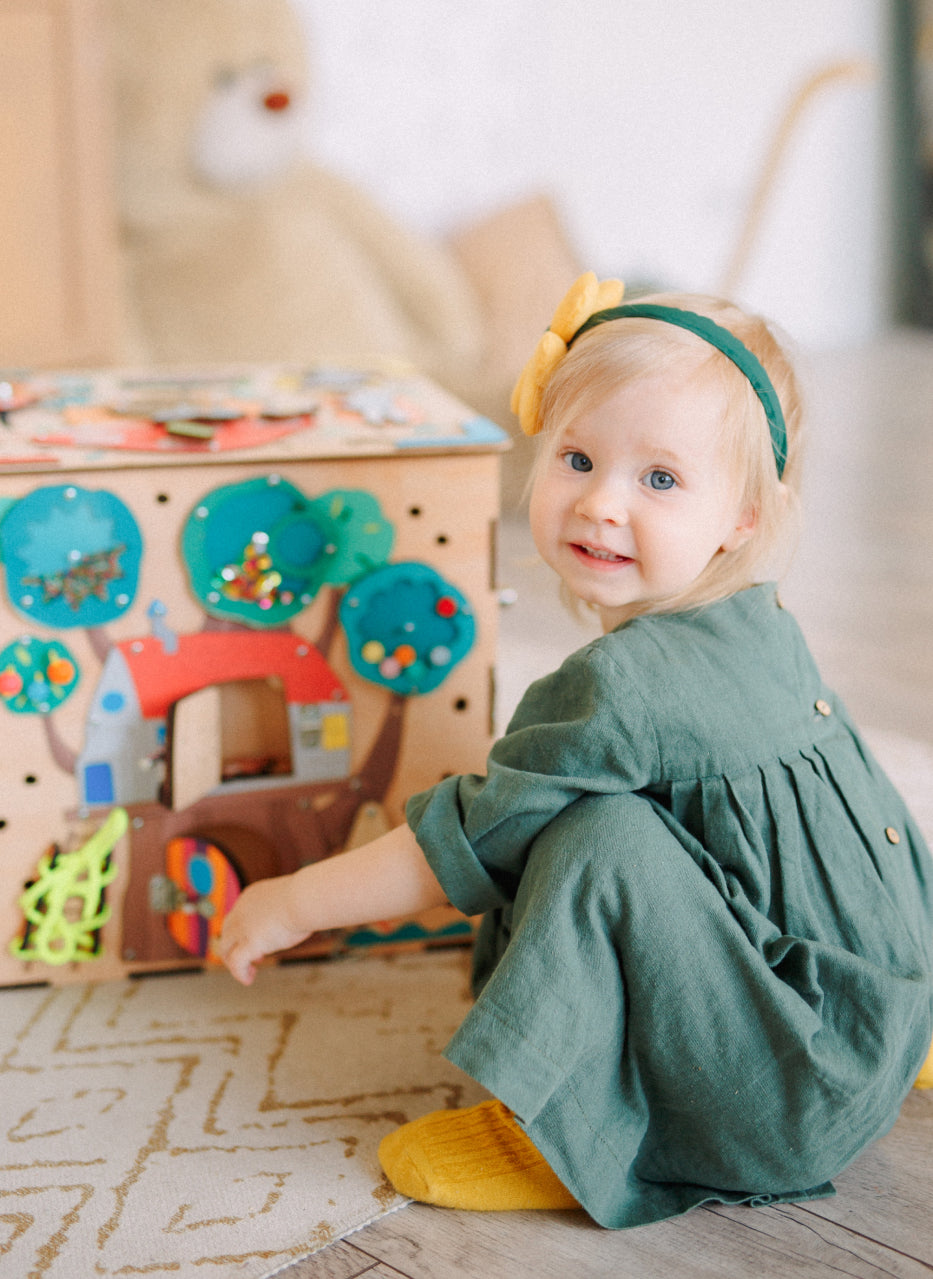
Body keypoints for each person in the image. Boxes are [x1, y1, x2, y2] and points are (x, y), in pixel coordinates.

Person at [217, 273, 933, 1229]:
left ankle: (566, 1127)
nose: (601, 504)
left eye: (660, 479)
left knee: (594, 834)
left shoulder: (617, 688)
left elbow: (462, 841)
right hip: (872, 1023)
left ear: (742, 521)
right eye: (579, 456)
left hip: (783, 1104)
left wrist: (290, 900)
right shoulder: (758, 620)